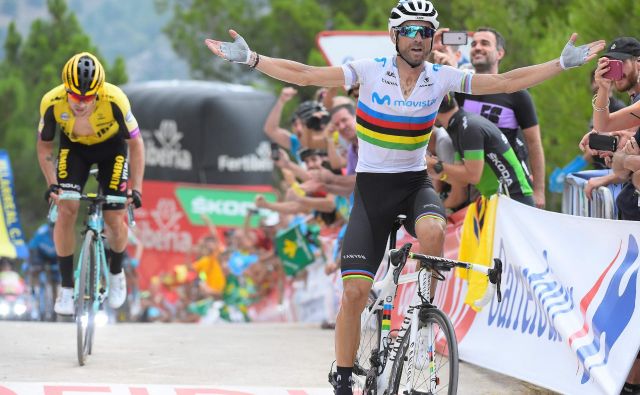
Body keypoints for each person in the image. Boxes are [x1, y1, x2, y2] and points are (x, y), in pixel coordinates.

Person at [204, 1, 603, 392]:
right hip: (372, 192)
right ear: (394, 36)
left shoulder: (441, 77)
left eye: (425, 32)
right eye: (410, 30)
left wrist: (561, 64)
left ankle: (422, 317)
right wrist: (253, 59)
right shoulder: (369, 72)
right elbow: (306, 74)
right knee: (355, 294)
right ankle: (344, 375)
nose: (418, 38)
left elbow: (504, 83)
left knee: (433, 229)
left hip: (414, 184)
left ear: (432, 39)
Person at [36, 52, 145, 315]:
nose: (81, 103)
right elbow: (44, 146)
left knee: (114, 218)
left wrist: (137, 187)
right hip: (74, 151)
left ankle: (116, 272)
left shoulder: (115, 99)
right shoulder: (51, 102)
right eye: (75, 96)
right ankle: (65, 288)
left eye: (87, 97)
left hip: (112, 151)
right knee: (66, 209)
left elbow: (136, 144)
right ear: (66, 89)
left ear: (98, 91)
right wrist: (52, 184)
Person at [456, 27, 546, 208]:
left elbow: (534, 143)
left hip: (509, 185)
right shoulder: (461, 90)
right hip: (473, 187)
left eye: (485, 43)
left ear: (500, 53)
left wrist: (539, 191)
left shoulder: (517, 94)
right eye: (473, 44)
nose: (477, 47)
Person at [428, 94, 535, 205]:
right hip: (500, 200)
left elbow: (473, 176)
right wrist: (437, 171)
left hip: (514, 198)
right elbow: (462, 182)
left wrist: (436, 164)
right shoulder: (458, 127)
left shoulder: (469, 127)